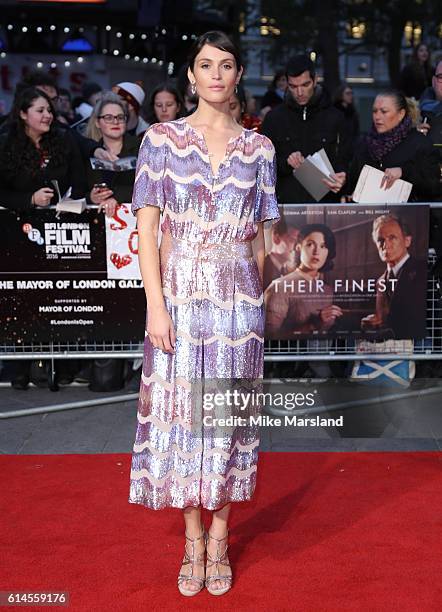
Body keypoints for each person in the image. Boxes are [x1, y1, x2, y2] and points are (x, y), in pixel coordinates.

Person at [129, 30, 279, 597]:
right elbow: (146, 230)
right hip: (180, 302)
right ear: (190, 77)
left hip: (239, 307)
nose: (215, 74)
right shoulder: (161, 140)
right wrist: (156, 307)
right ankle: (191, 539)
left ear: (238, 76)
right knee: (182, 422)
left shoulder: (259, 150)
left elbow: (264, 240)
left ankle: (220, 537)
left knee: (225, 421)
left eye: (227, 65)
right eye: (204, 65)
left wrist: (259, 302)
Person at [261, 55, 350, 203]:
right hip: (286, 207)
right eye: (293, 87)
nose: (299, 92)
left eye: (305, 85)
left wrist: (343, 176)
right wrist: (286, 162)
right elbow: (262, 166)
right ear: (287, 85)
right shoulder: (274, 118)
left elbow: (346, 159)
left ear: (315, 81)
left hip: (325, 205)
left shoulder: (336, 118)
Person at [0, 87, 87, 212]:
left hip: (63, 220)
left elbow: (79, 183)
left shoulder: (64, 139)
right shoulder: (5, 144)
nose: (48, 115)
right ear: (23, 114)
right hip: (18, 223)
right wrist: (31, 199)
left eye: (49, 110)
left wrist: (71, 200)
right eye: (40, 111)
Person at [345, 89, 440, 202]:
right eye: (374, 111)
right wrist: (344, 182)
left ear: (401, 114)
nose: (377, 117)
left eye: (384, 111)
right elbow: (353, 182)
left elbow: (433, 184)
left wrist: (403, 172)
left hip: (408, 216)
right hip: (367, 216)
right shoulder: (364, 144)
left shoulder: (420, 143)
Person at [264, 224, 343, 337]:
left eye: (323, 246)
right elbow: (270, 337)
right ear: (298, 247)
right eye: (310, 244)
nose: (317, 251)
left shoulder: (327, 290)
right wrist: (314, 324)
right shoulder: (280, 286)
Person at [361, 214, 427, 339]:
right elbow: (385, 320)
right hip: (391, 349)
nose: (385, 245)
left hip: (421, 345)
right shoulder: (380, 281)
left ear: (407, 241)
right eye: (380, 240)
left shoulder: (423, 270)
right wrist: (372, 324)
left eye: (392, 238)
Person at [85, 92, 139, 217]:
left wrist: (117, 198)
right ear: (98, 122)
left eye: (120, 117)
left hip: (133, 222)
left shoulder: (141, 147)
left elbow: (149, 186)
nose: (115, 122)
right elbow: (79, 191)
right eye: (108, 117)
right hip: (97, 221)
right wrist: (91, 197)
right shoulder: (90, 152)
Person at [263, 216, 299, 290]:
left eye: (298, 242)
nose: (297, 247)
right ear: (276, 238)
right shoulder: (262, 268)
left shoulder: (288, 270)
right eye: (292, 240)